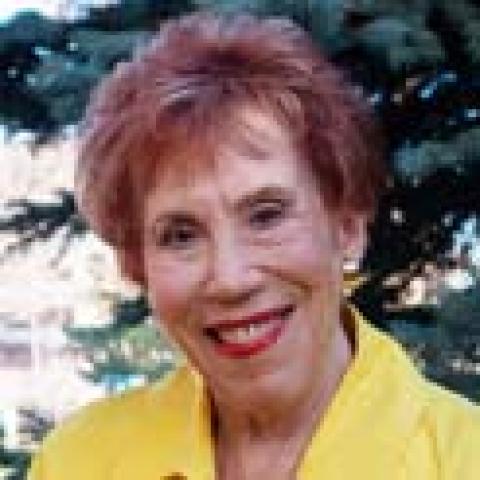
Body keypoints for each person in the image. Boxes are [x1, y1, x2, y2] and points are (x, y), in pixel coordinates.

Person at [29, 12, 480, 480]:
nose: (230, 279)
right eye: (180, 235)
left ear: (347, 226)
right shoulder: (76, 462)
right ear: (136, 264)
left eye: (266, 215)